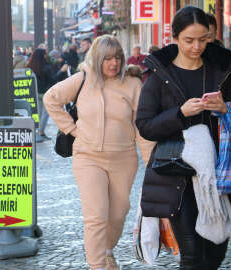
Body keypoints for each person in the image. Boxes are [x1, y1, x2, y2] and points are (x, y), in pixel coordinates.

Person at [135, 6, 231, 269]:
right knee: (191, 255)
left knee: (215, 254)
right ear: (175, 37)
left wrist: (225, 109)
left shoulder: (224, 70)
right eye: (189, 40)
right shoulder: (159, 76)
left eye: (204, 39)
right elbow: (145, 126)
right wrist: (180, 113)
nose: (197, 46)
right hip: (176, 174)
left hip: (219, 171)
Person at [44, 35, 155, 270]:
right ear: (97, 59)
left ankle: (106, 251)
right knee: (96, 216)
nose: (113, 64)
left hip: (124, 159)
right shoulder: (83, 79)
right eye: (107, 59)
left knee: (118, 214)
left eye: (117, 58)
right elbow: (51, 99)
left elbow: (141, 126)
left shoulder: (133, 84)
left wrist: (151, 163)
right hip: (88, 158)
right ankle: (96, 265)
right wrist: (72, 129)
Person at [26, 48, 68, 139]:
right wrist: (61, 71)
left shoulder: (30, 67)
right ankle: (41, 132)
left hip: (35, 92)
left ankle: (37, 131)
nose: (46, 56)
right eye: (45, 54)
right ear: (43, 56)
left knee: (39, 112)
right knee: (46, 113)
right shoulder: (46, 67)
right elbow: (53, 79)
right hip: (45, 92)